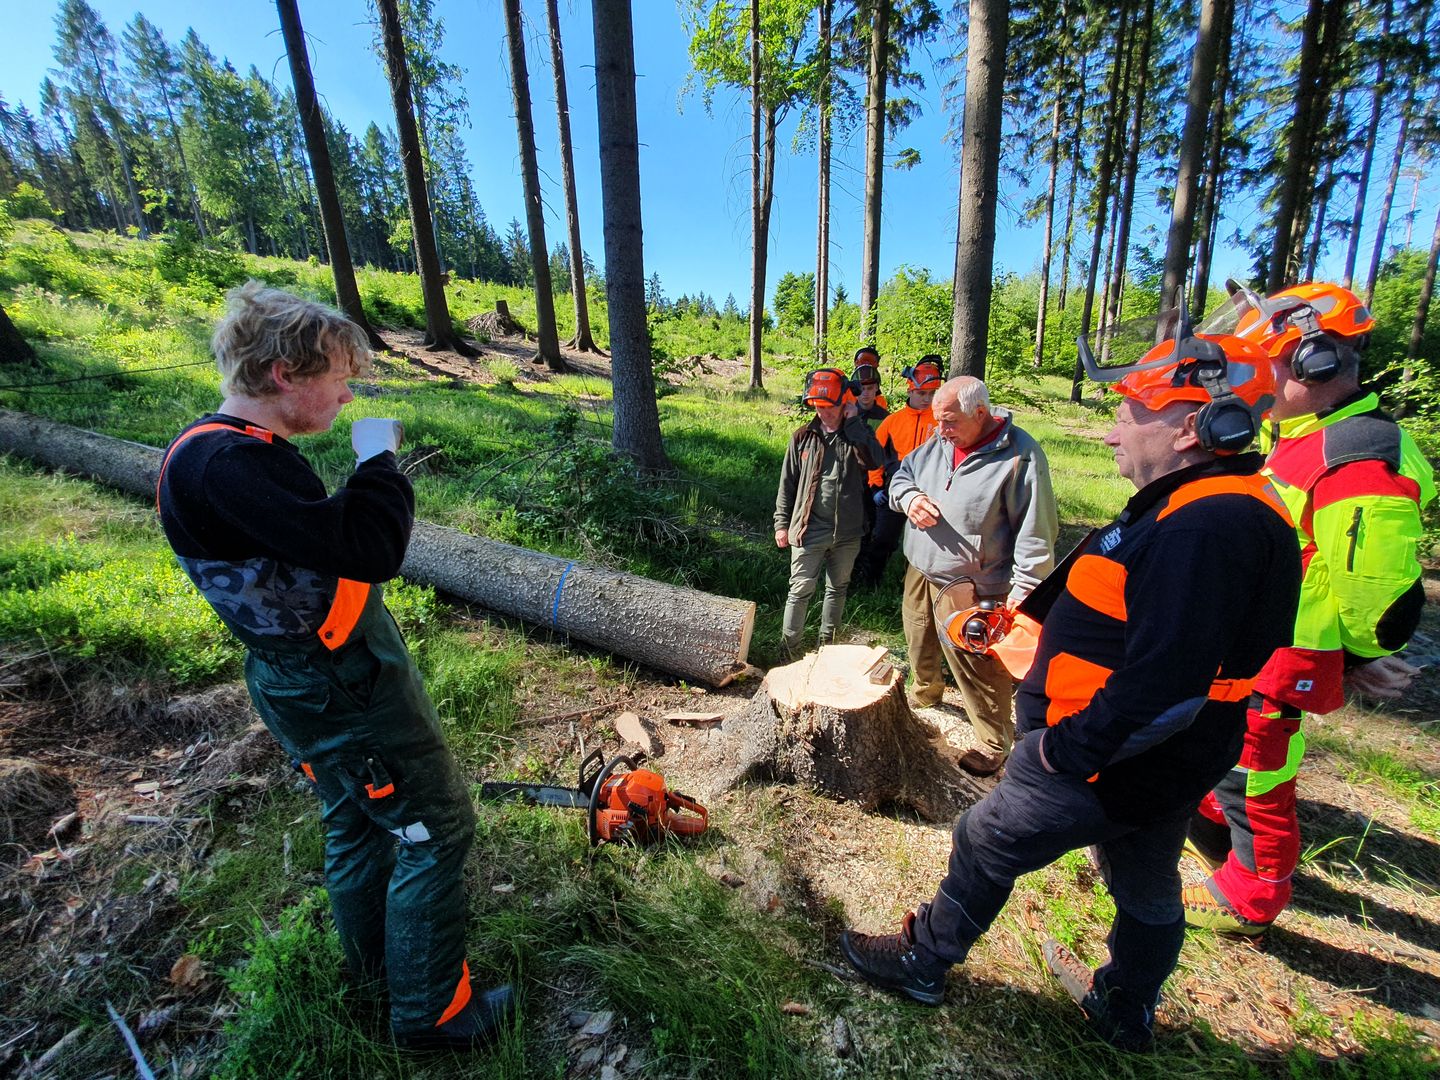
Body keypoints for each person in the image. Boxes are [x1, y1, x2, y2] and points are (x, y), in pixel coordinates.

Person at [838, 331, 1301, 1052]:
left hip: (1111, 752)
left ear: (1190, 427)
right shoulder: (1196, 503)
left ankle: (923, 962)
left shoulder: (1209, 525)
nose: (1113, 430)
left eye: (1129, 413)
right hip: (1161, 756)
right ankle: (1126, 1006)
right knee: (1146, 881)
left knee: (985, 837)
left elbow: (1166, 682)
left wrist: (1062, 750)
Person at [156, 282, 514, 1051]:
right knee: (435, 826)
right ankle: (431, 1017)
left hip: (304, 679)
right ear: (286, 373)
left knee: (357, 819)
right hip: (341, 684)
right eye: (338, 375)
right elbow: (369, 546)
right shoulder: (231, 466)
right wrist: (379, 461)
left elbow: (320, 542)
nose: (348, 391)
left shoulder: (211, 450)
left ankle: (376, 973)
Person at [1184, 282, 1436, 936]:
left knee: (1258, 773)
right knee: (1225, 752)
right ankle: (1212, 823)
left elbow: (1376, 590)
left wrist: (1358, 656)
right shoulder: (1308, 435)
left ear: (1312, 364)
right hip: (1258, 637)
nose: (1255, 380)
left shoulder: (1358, 457)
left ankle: (1252, 894)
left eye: (1266, 364)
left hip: (1291, 648)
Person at [889, 376, 1057, 774]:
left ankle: (993, 741)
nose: (941, 431)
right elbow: (901, 476)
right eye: (937, 421)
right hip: (921, 566)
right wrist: (910, 499)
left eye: (949, 422)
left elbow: (1036, 531)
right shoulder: (939, 442)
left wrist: (1026, 589)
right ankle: (927, 693)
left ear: (980, 413)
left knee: (976, 661)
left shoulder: (1020, 456)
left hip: (975, 581)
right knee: (918, 636)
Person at [774, 366, 883, 658]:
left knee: (838, 589)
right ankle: (789, 652)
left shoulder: (857, 435)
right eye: (818, 407)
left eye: (830, 407)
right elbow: (787, 484)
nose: (824, 413)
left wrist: (854, 423)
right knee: (799, 591)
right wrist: (781, 524)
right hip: (809, 529)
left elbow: (876, 461)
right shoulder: (802, 438)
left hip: (848, 533)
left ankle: (827, 649)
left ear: (845, 401)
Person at [853, 357, 942, 589]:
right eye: (922, 393)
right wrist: (874, 486)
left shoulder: (942, 423)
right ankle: (870, 582)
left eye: (932, 394)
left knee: (926, 543)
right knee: (883, 538)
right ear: (911, 390)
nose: (927, 399)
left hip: (930, 491)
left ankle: (913, 586)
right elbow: (875, 457)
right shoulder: (892, 421)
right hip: (893, 489)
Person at [851, 347, 891, 422]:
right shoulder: (846, 394)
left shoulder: (880, 401)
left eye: (870, 362)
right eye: (863, 361)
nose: (866, 365)